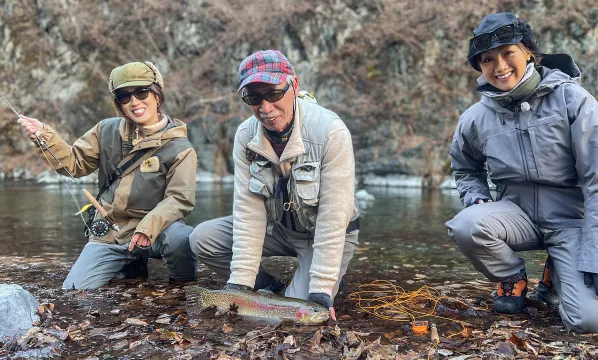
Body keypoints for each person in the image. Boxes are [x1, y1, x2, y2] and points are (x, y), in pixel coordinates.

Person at [445, 12, 598, 335]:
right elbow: (464, 166)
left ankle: (555, 273)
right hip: (516, 216)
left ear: (528, 51)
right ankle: (512, 277)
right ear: (480, 67)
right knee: (466, 224)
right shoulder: (475, 118)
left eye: (507, 53)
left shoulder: (574, 101)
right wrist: (476, 196)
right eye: (488, 59)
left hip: (570, 220)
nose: (499, 67)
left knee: (595, 323)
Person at [189, 50, 359, 321]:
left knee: (301, 313)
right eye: (253, 98)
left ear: (294, 85)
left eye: (274, 94)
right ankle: (267, 290)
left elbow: (334, 217)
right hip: (279, 227)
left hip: (321, 234)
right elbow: (249, 212)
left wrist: (322, 287)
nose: (265, 108)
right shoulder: (245, 136)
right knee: (203, 238)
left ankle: (316, 282)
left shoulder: (330, 131)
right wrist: (240, 284)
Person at [18, 61, 198, 289]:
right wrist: (44, 136)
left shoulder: (181, 147)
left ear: (157, 96)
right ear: (119, 104)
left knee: (180, 237)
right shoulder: (105, 130)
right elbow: (73, 165)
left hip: (155, 232)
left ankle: (181, 286)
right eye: (125, 96)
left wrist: (147, 227)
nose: (135, 102)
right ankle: (131, 267)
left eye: (142, 92)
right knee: (74, 291)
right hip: (110, 234)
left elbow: (180, 199)